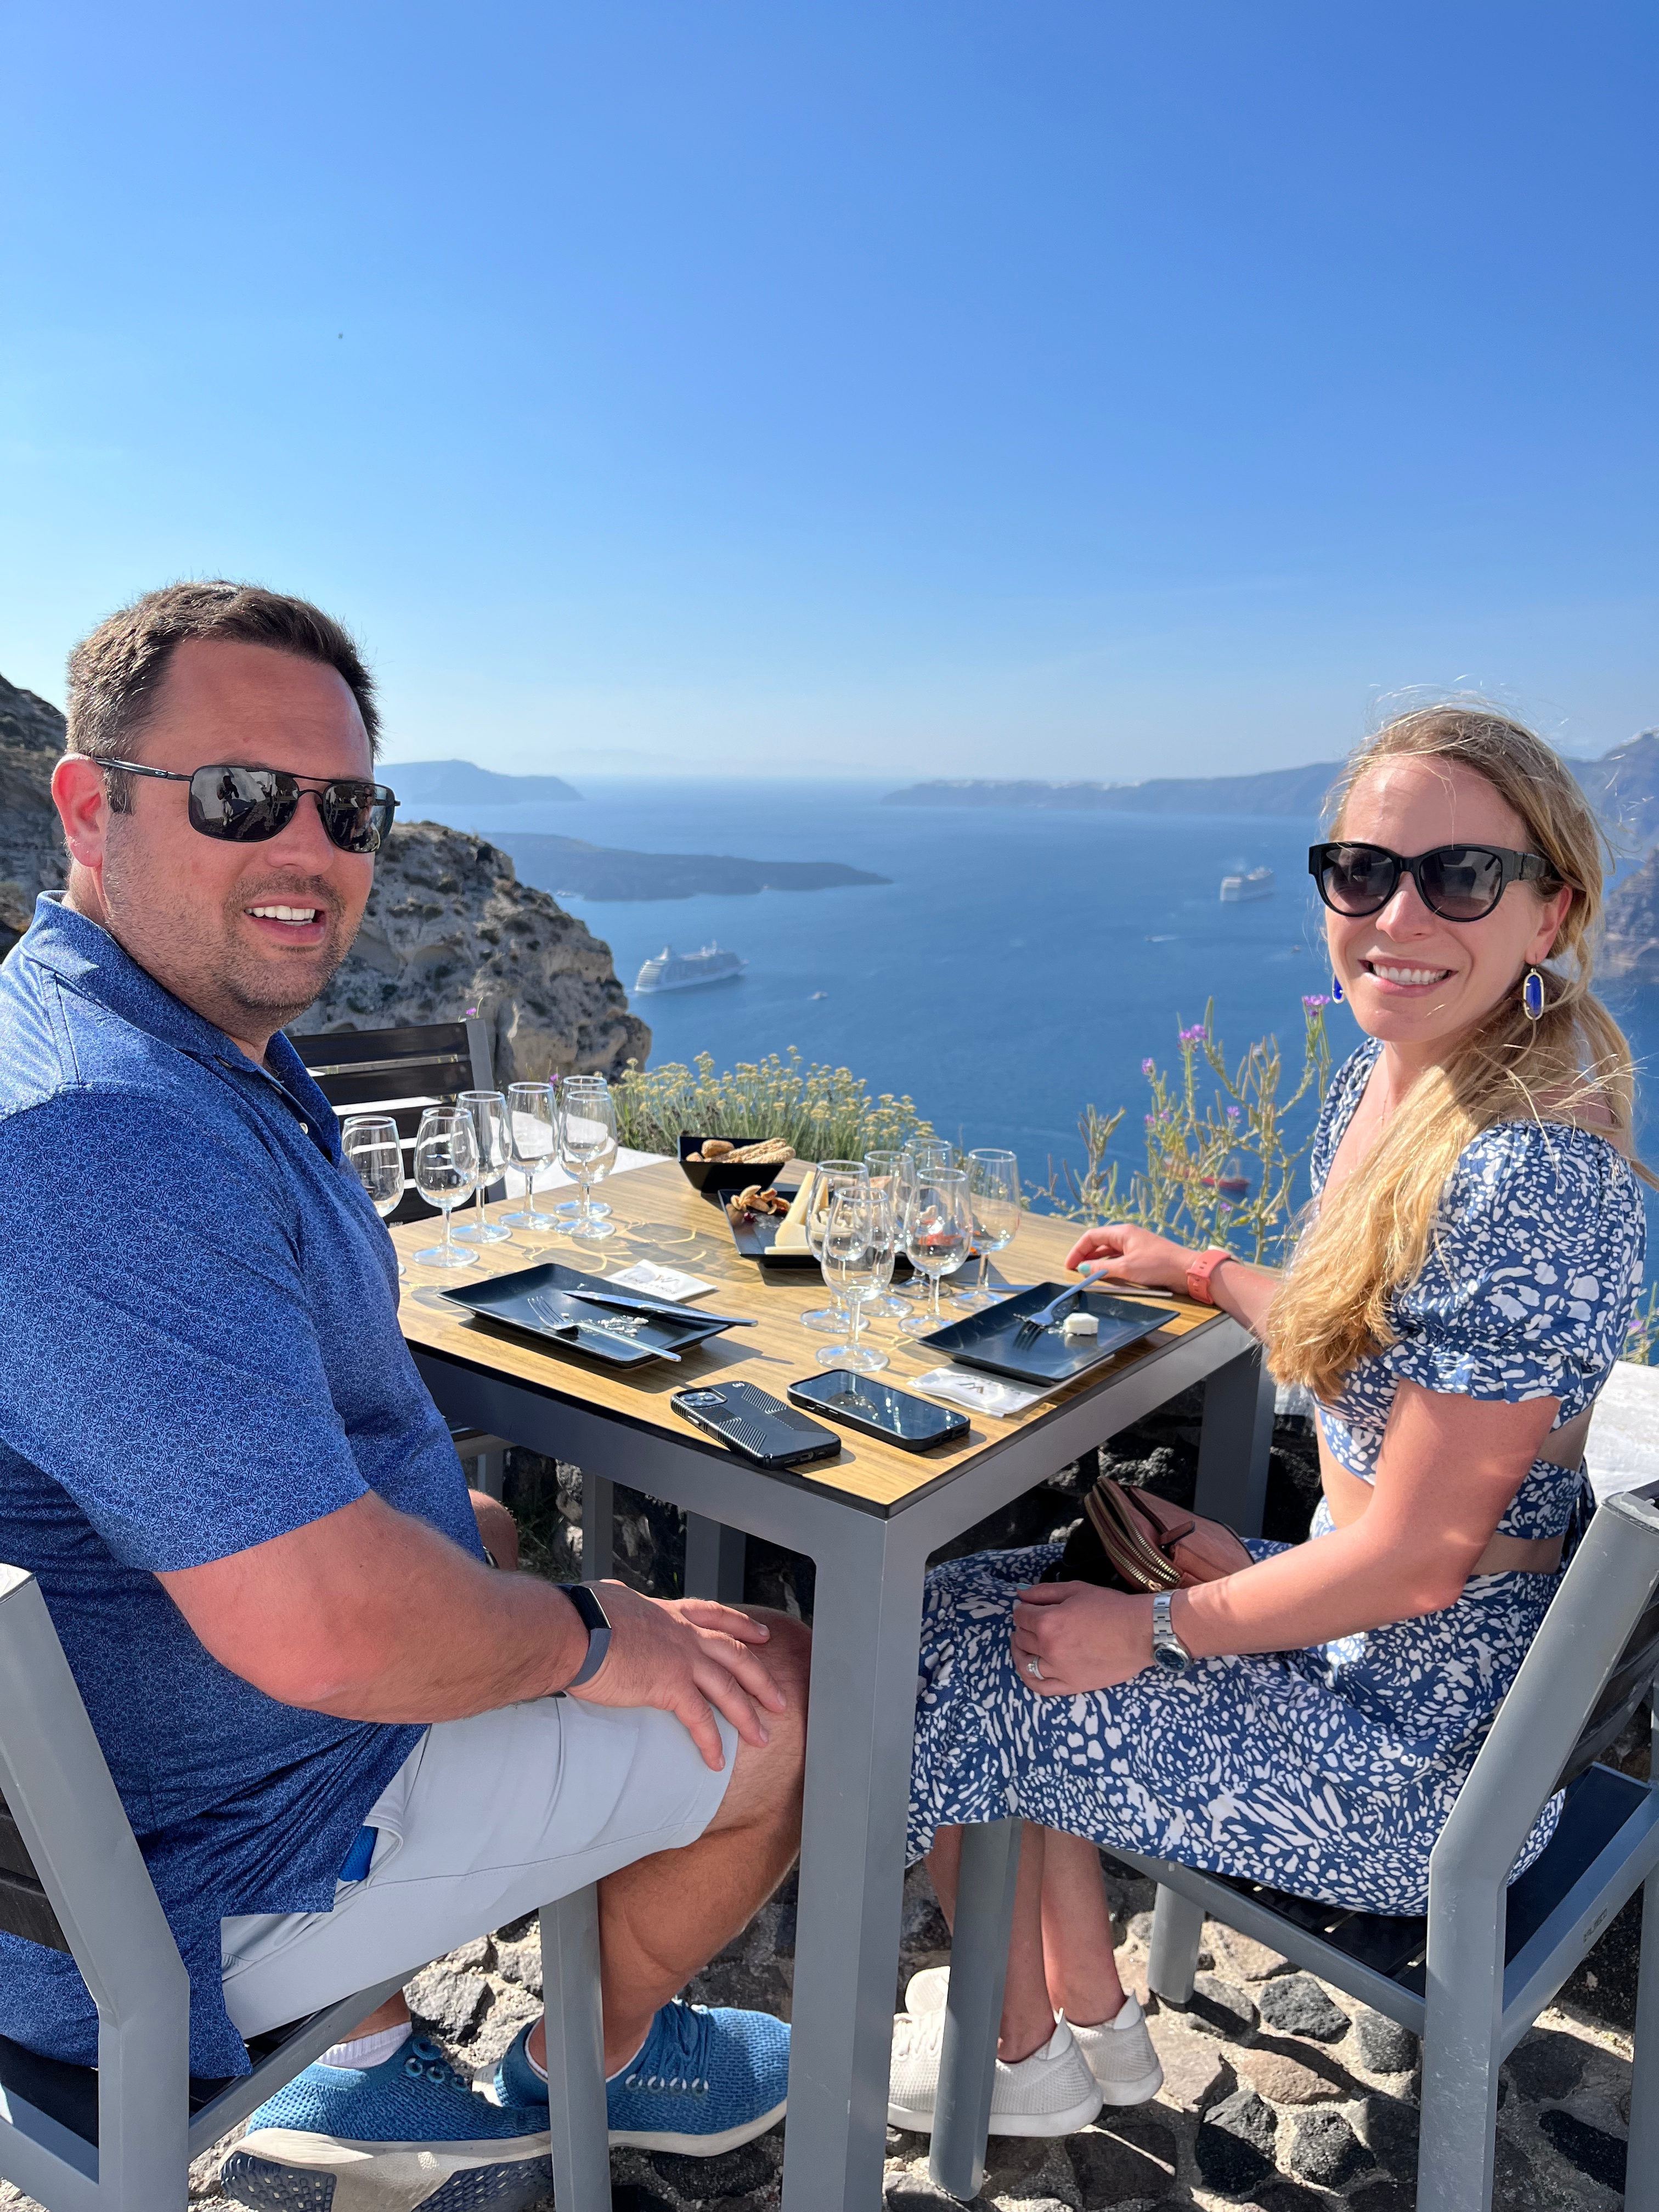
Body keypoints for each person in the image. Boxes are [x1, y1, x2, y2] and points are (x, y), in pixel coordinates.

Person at [0, 583, 810, 2212]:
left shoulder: (122, 1031)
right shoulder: (106, 1133)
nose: (309, 849)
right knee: (785, 1688)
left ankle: (373, 2056)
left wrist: (496, 1580)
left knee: (483, 1526)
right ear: (89, 806)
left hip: (120, 1750)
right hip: (164, 1898)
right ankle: (588, 2061)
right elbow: (322, 1634)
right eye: (242, 796)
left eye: (347, 810)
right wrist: (600, 1636)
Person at [887, 704, 1647, 2138]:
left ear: (1552, 910)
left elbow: (1416, 1562)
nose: (1399, 916)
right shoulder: (1393, 1084)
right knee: (968, 1604)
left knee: (967, 1670)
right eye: (1364, 872)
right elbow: (1376, 1345)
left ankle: (1019, 2050)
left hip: (1431, 1776)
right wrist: (1207, 1273)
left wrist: (1165, 1629)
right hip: (1378, 1656)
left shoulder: (1530, 1177)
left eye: (1461, 878)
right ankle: (1092, 2028)